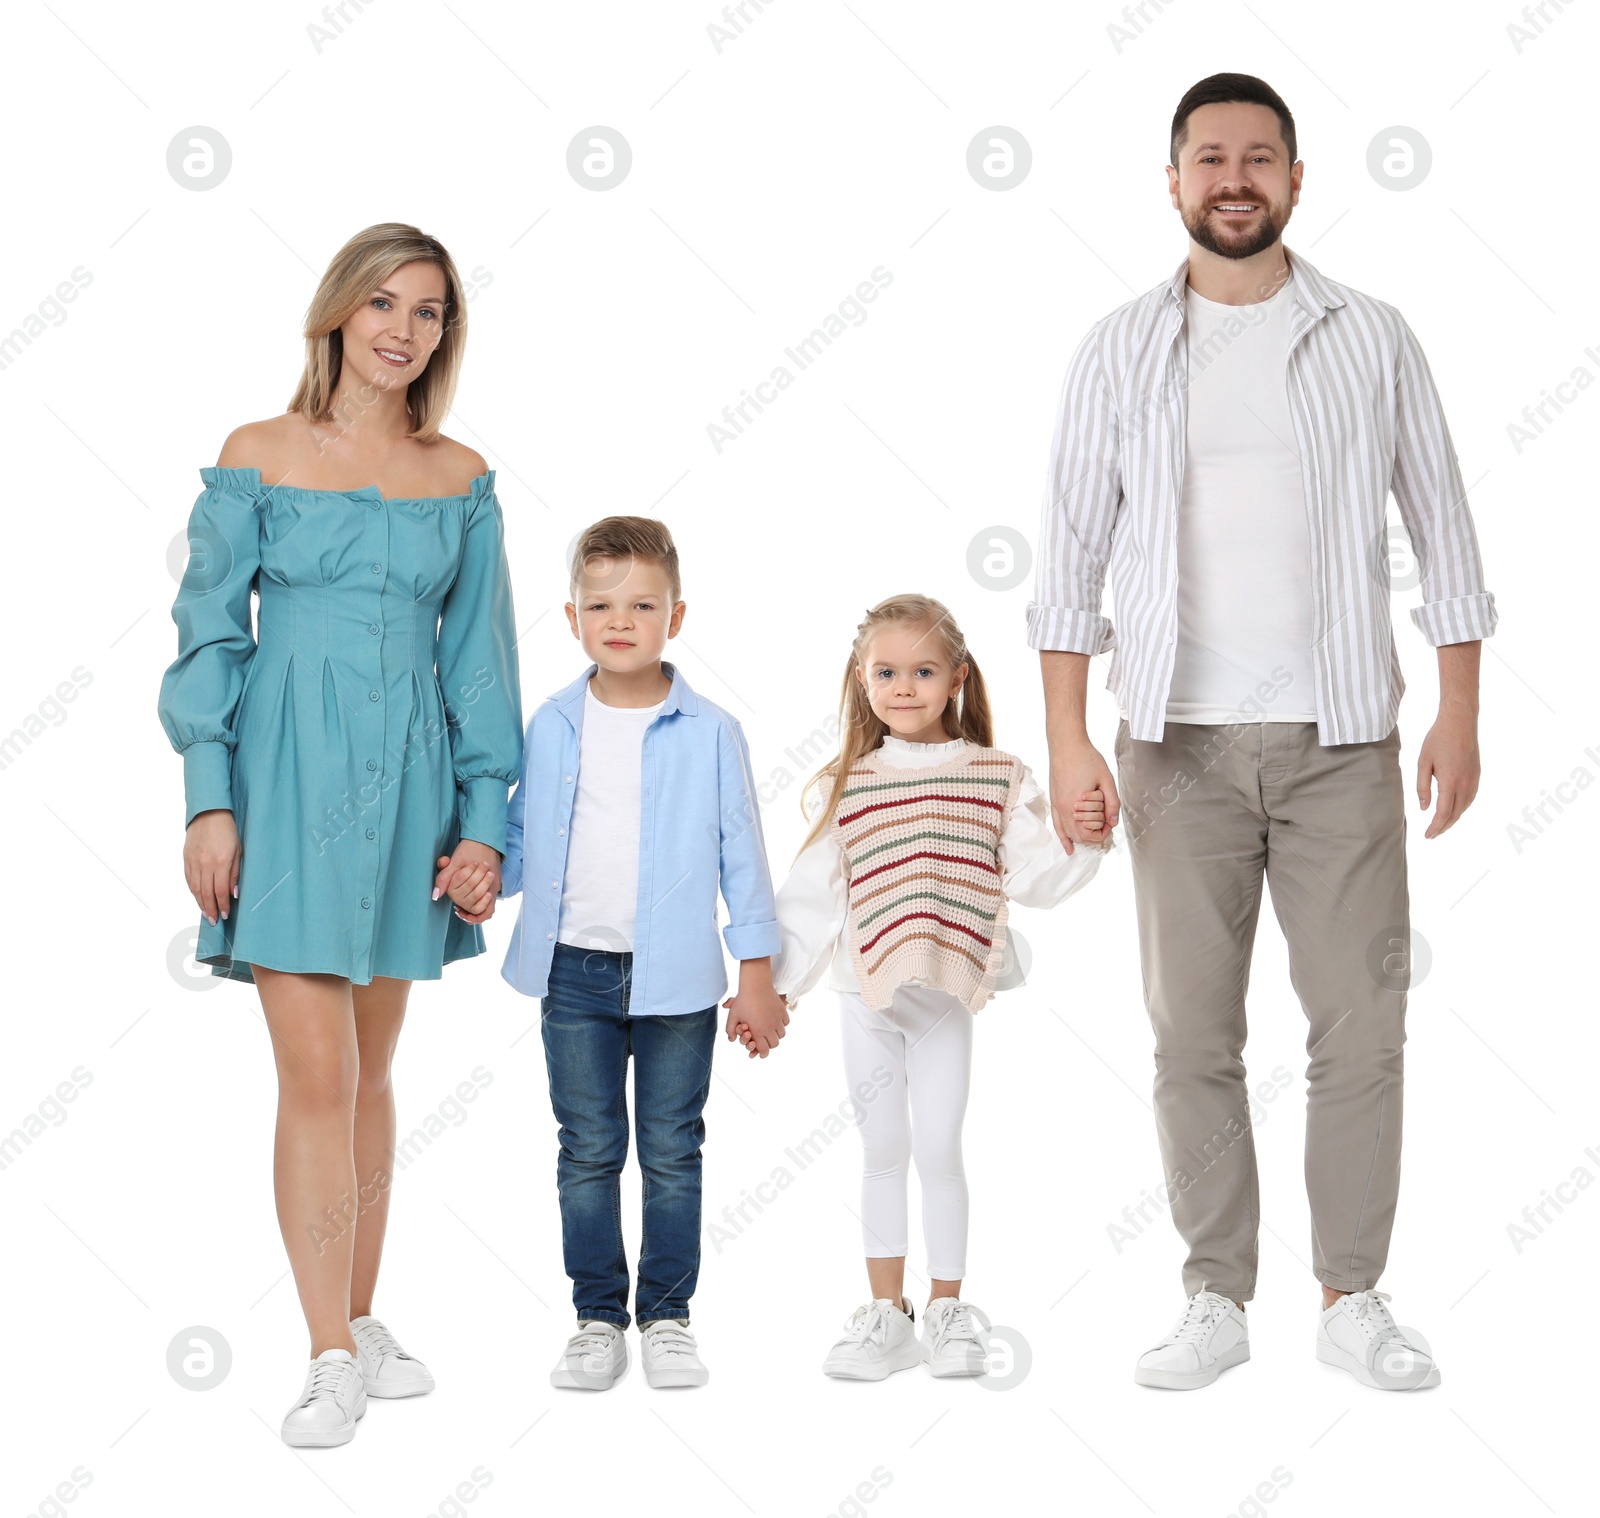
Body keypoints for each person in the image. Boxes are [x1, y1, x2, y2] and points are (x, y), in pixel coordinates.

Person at [1028, 74, 1496, 1391]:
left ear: (1295, 179)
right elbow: (1068, 558)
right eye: (1209, 158)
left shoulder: (1371, 335)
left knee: (1361, 1021)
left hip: (1344, 735)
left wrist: (1458, 708)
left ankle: (1353, 1291)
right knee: (1191, 1032)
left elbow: (1444, 532)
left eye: (1259, 158)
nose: (1234, 179)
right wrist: (1069, 739)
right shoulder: (1118, 347)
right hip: (1174, 747)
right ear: (1172, 182)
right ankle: (1213, 1291)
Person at [157, 223, 523, 1445]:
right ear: (335, 314)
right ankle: (324, 1352)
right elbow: (210, 634)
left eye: (425, 311)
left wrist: (486, 826)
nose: (401, 330)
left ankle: (361, 1320)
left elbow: (478, 666)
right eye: (381, 303)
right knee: (314, 1073)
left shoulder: (463, 477)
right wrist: (211, 794)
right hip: (285, 781)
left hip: (411, 788)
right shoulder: (253, 456)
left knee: (369, 1073)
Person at [763, 594, 1108, 1380]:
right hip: (864, 993)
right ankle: (888, 1314)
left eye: (923, 671)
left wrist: (1085, 838)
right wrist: (775, 987)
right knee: (882, 1147)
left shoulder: (993, 777)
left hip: (946, 995)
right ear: (862, 679)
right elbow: (812, 895)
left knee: (939, 1146)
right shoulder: (846, 784)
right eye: (887, 672)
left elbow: (1035, 873)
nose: (905, 687)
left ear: (956, 677)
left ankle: (949, 1308)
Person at [497, 516, 789, 1392]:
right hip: (573, 972)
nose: (619, 620)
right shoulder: (549, 724)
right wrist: (480, 871)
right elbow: (518, 835)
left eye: (641, 604)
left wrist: (759, 974)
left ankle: (666, 1316)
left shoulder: (710, 731)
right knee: (587, 1148)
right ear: (571, 616)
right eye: (600, 604)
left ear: (677, 616)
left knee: (672, 1148)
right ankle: (597, 1317)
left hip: (681, 983)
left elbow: (744, 853)